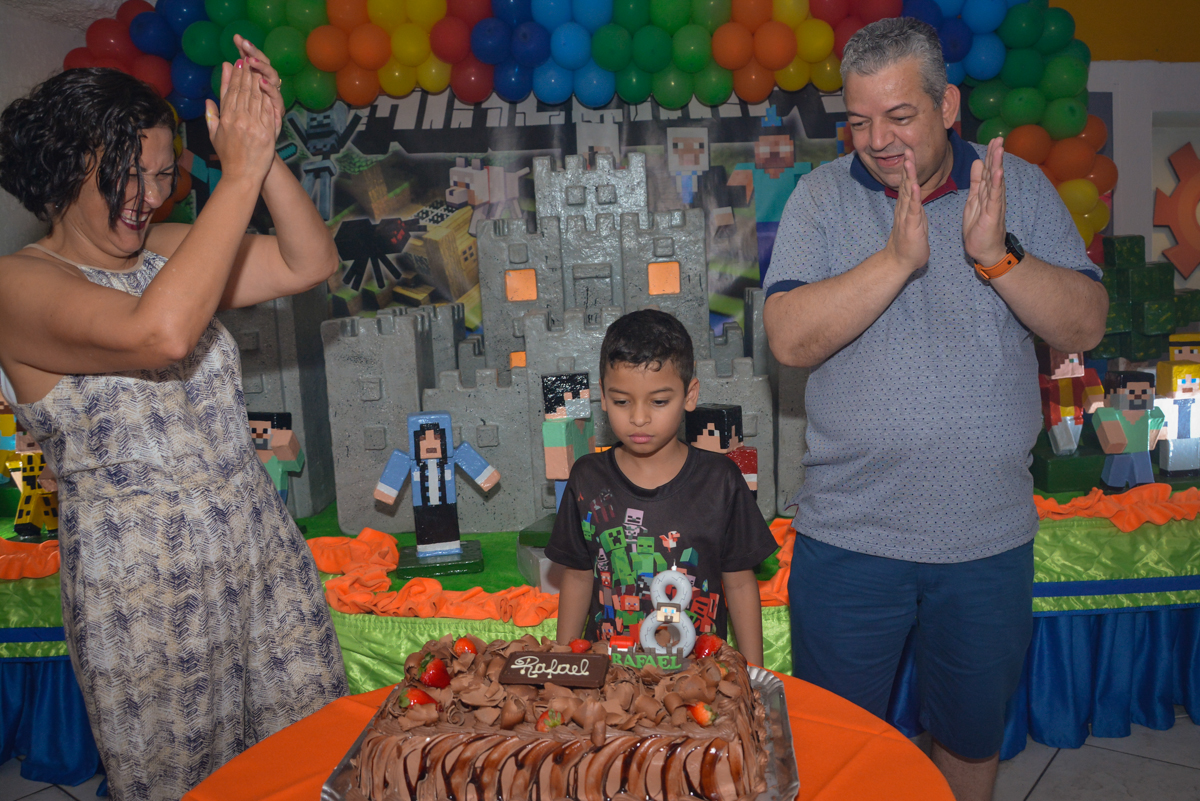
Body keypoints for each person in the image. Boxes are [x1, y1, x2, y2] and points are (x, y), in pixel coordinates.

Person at [761, 18, 1108, 801]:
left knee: (968, 740)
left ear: (947, 104)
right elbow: (787, 337)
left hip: (985, 541)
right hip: (850, 540)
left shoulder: (1016, 188)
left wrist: (997, 257)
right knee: (837, 749)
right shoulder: (820, 199)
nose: (878, 140)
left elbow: (1085, 323)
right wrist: (895, 261)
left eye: (899, 116)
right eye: (858, 120)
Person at [0, 40, 348, 801]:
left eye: (163, 174)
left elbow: (307, 260)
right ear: (63, 170)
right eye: (125, 172)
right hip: (146, 593)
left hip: (260, 554)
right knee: (191, 787)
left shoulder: (164, 255)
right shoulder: (16, 285)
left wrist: (266, 150)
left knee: (316, 757)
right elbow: (160, 334)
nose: (147, 196)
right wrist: (243, 172)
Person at [545, 309, 778, 665]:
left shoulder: (720, 481)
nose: (639, 417)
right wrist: (561, 661)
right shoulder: (587, 478)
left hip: (701, 678)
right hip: (610, 679)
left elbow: (741, 585)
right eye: (622, 401)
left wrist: (753, 675)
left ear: (689, 395)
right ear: (603, 398)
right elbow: (576, 578)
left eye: (658, 401)